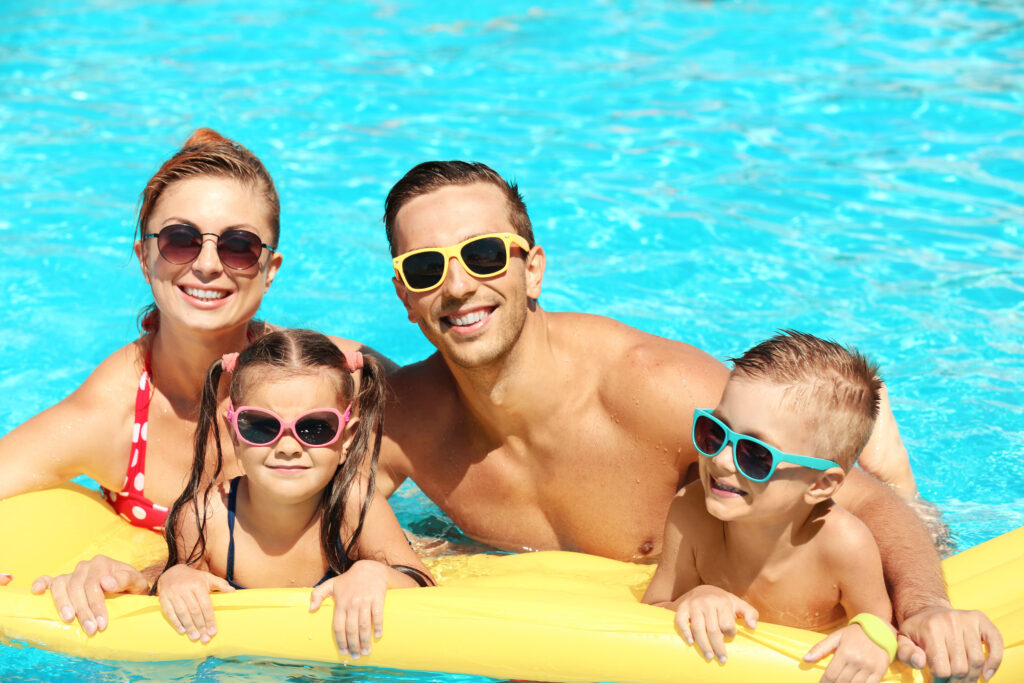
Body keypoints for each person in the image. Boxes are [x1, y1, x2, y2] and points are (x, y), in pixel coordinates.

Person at [376, 160, 1001, 682]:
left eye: (484, 255)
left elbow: (868, 506)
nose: (457, 287)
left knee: (904, 507)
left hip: (750, 568)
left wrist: (924, 607)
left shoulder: (653, 388)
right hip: (577, 635)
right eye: (426, 268)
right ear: (405, 295)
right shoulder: (401, 422)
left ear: (532, 269)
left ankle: (884, 442)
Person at [0, 129, 383, 623]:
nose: (206, 265)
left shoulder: (339, 377)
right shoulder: (115, 410)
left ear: (269, 269)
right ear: (144, 257)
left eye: (239, 246)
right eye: (180, 240)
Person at [643, 332, 1000, 682]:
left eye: (754, 454)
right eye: (715, 431)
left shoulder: (845, 544)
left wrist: (870, 635)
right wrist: (693, 598)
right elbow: (653, 607)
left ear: (820, 485)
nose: (720, 460)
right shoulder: (690, 512)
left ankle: (894, 472)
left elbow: (881, 621)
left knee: (932, 532)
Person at [155, 329, 433, 657]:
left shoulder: (354, 506)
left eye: (315, 427)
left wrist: (372, 572)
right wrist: (173, 578)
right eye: (261, 425)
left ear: (347, 438)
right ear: (234, 433)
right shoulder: (206, 517)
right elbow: (168, 580)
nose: (288, 447)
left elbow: (423, 585)